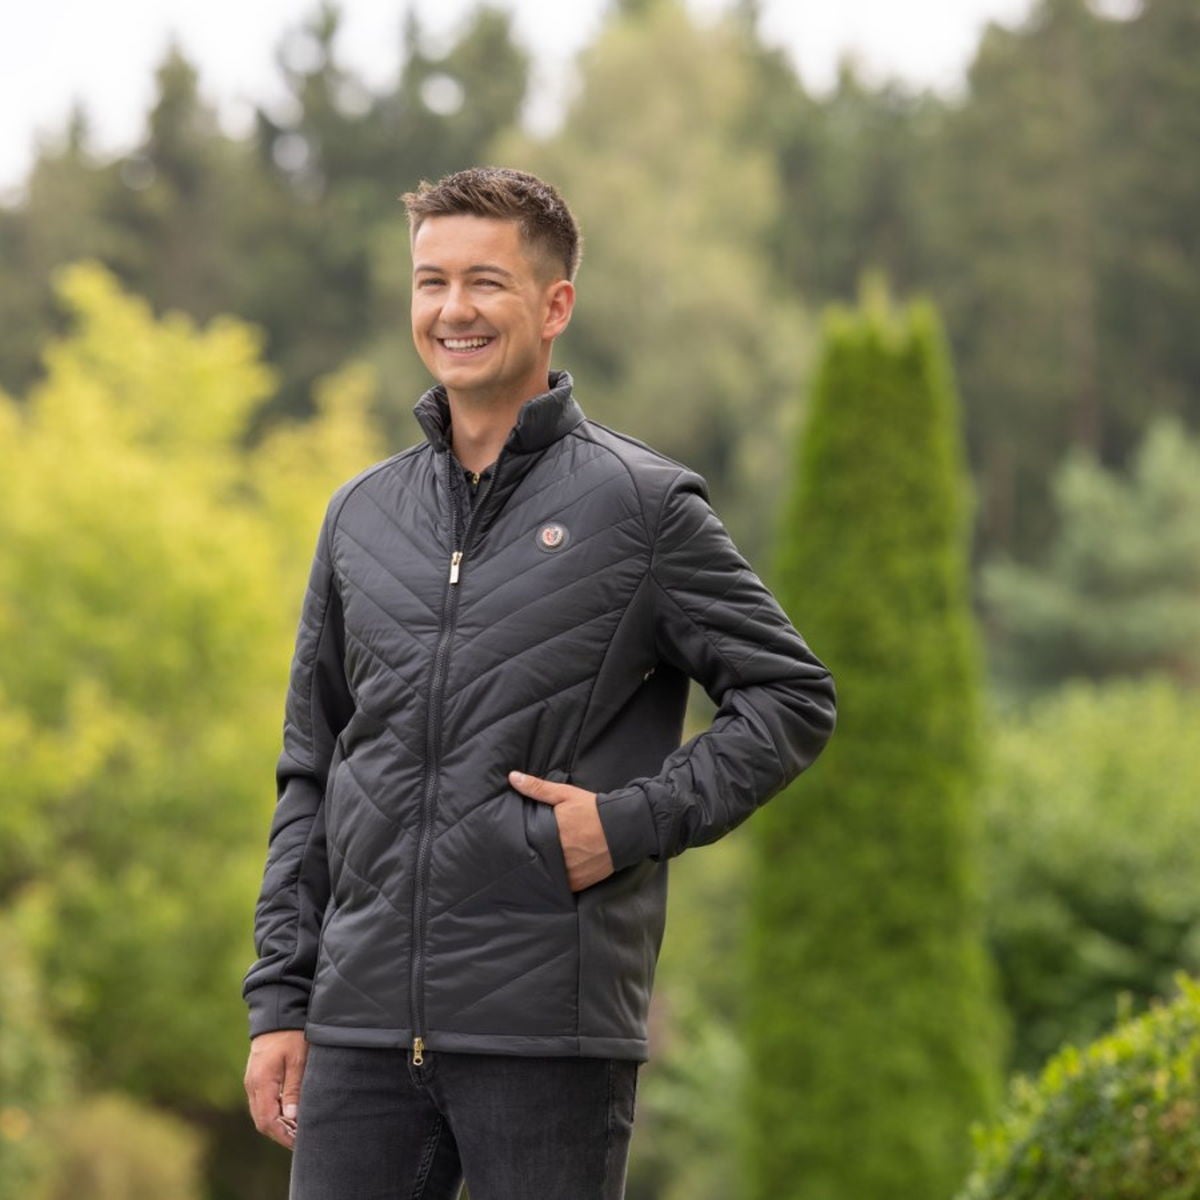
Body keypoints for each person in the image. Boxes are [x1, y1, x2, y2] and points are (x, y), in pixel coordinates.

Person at [242, 166, 836, 1200]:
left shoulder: (642, 508)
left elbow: (792, 698)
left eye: (485, 282)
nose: (453, 310)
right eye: (431, 282)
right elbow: (313, 768)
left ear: (555, 306)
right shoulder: (360, 516)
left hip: (548, 1036)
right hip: (358, 1029)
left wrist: (626, 823)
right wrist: (281, 1003)